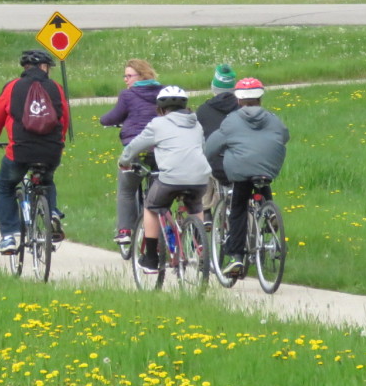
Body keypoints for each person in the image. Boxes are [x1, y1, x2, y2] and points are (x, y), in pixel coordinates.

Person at [116, 86, 211, 273]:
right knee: (195, 205)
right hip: (199, 178)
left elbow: (134, 146)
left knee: (151, 207)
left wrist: (124, 162)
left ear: (160, 108)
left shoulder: (157, 124)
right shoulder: (197, 125)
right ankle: (201, 248)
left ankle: (151, 258)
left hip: (171, 178)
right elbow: (202, 149)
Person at [0, 49, 70, 254]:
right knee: (47, 180)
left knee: (4, 186)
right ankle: (52, 214)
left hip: (20, 151)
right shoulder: (56, 88)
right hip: (51, 150)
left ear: (25, 67)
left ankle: (9, 235)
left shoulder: (13, 87)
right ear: (43, 67)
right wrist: (60, 141)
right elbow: (64, 118)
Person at [203, 77, 290, 278]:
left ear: (238, 99)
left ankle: (236, 257)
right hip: (268, 166)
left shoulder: (232, 120)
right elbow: (284, 136)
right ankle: (269, 213)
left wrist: (207, 157)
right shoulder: (272, 117)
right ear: (260, 97)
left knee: (239, 207)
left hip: (240, 170)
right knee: (261, 180)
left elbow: (213, 145)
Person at [100, 59, 164, 246]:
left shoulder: (128, 95)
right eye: (125, 76)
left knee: (126, 190)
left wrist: (103, 120)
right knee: (157, 191)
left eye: (129, 76)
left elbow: (113, 117)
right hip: (160, 149)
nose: (125, 80)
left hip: (136, 147)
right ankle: (158, 229)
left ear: (141, 75)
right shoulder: (163, 92)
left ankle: (125, 230)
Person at [196, 63, 239, 217]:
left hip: (215, 165)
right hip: (241, 161)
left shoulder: (203, 110)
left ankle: (206, 210)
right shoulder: (243, 109)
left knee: (201, 162)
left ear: (214, 87)